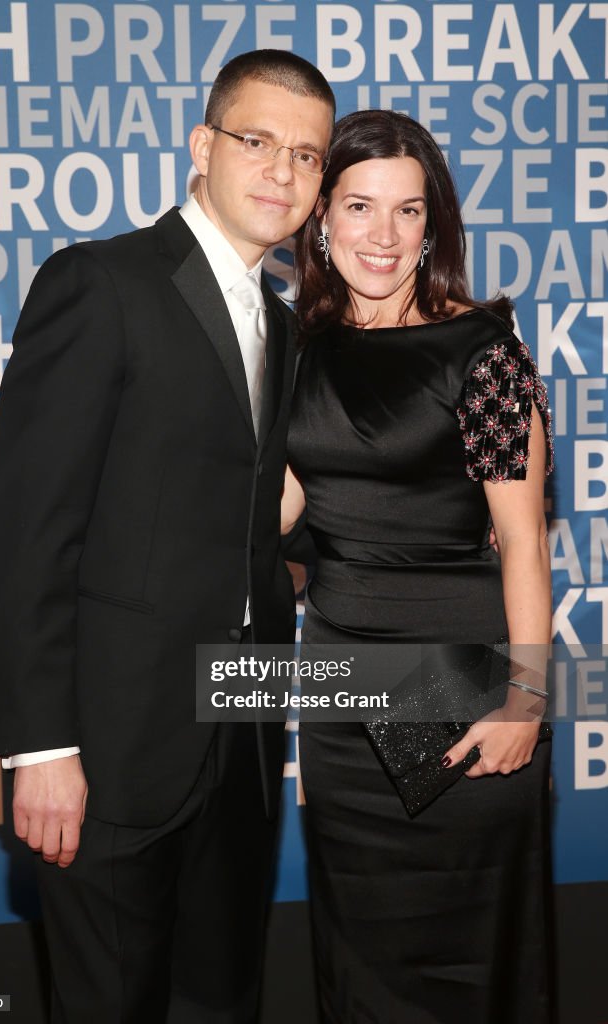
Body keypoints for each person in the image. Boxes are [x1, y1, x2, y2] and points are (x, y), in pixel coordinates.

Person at [0, 50, 334, 1024]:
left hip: (242, 751)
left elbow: (236, 513)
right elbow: (24, 535)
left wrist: (289, 542)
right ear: (200, 146)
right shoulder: (99, 284)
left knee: (222, 1002)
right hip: (110, 753)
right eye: (256, 142)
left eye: (306, 156)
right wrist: (40, 743)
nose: (281, 173)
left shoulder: (284, 325)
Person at [282, 109, 554, 1023]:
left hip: (454, 683)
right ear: (320, 216)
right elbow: (281, 510)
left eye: (408, 211)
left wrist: (525, 698)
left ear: (433, 223)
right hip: (337, 684)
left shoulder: (482, 357)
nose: (383, 236)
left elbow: (522, 539)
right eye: (359, 207)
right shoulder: (294, 349)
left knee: (459, 955)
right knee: (360, 954)